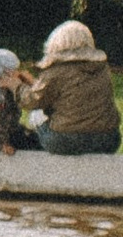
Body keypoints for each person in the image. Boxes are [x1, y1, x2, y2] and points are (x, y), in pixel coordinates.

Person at [32, 17, 120, 156]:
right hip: (108, 140)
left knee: (35, 114)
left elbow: (33, 100)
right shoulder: (102, 68)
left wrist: (16, 86)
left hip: (67, 141)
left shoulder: (55, 71)